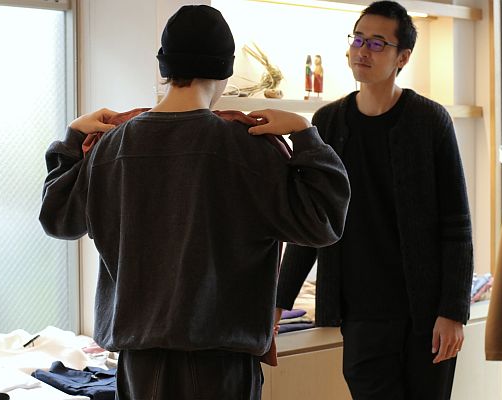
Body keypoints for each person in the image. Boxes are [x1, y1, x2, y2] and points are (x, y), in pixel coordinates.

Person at [39, 5, 350, 400]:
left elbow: (58, 219)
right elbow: (323, 222)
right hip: (220, 366)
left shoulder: (111, 147)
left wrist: (72, 140)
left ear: (164, 68)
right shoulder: (249, 148)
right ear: (224, 69)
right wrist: (305, 134)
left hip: (138, 365)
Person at [275, 1, 473, 399]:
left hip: (426, 314)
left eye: (378, 43)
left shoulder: (430, 121)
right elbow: (312, 222)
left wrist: (453, 311)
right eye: (358, 39)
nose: (363, 50)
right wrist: (278, 302)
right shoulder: (328, 123)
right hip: (361, 312)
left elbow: (457, 224)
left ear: (403, 57)